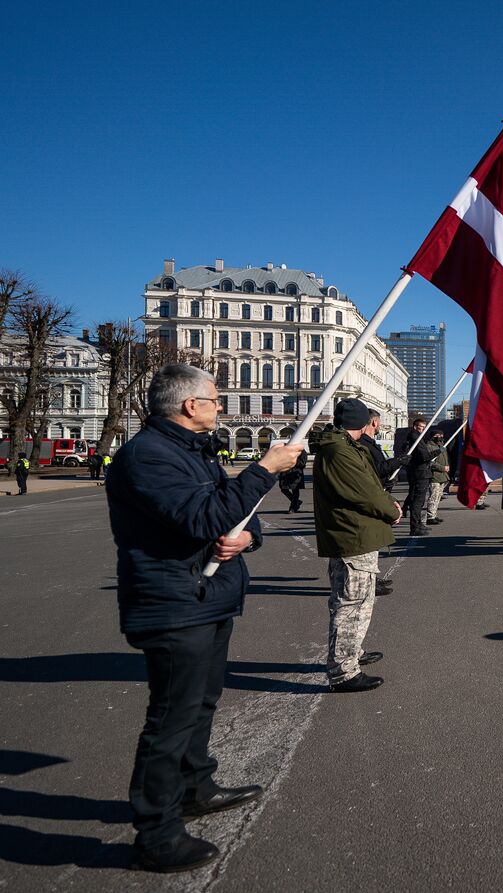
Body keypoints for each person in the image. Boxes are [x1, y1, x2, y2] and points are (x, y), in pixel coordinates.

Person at [105, 363, 303, 872]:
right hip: (174, 603)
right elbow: (201, 517)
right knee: (171, 718)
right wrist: (266, 468)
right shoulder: (146, 456)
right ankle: (156, 833)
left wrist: (248, 537)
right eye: (215, 400)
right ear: (191, 405)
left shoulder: (194, 451)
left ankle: (196, 786)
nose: (220, 407)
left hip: (206, 595)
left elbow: (233, 515)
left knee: (202, 702)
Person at [313, 398, 400, 695]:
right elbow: (364, 492)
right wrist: (391, 511)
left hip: (357, 534)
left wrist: (387, 502)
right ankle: (343, 672)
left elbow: (370, 485)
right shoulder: (339, 451)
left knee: (361, 601)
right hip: (352, 535)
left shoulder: (345, 447)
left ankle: (352, 653)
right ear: (362, 423)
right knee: (350, 605)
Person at [358, 410, 400, 597]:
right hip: (372, 499)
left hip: (379, 491)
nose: (380, 425)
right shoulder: (363, 445)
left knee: (374, 545)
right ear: (374, 422)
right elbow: (376, 469)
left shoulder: (369, 443)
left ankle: (372, 578)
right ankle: (369, 583)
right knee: (369, 545)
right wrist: (396, 463)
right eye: (379, 421)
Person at [398, 418, 438, 537]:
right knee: (417, 500)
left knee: (419, 500)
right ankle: (415, 526)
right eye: (421, 427)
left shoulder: (418, 438)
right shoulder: (415, 437)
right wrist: (437, 452)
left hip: (421, 472)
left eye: (424, 427)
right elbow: (424, 456)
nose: (422, 430)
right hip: (420, 472)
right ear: (415, 427)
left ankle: (418, 524)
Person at [426, 430, 450, 524]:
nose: (439, 437)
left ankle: (434, 514)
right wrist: (442, 468)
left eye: (441, 435)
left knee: (438, 496)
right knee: (433, 496)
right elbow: (430, 462)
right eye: (437, 435)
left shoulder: (442, 446)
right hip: (435, 475)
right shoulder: (429, 447)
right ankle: (430, 516)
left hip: (443, 476)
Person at [278, 448, 308, 513]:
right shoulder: (286, 449)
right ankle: (297, 502)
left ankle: (292, 507)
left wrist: (292, 461)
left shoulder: (301, 451)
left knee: (295, 490)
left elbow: (302, 463)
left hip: (295, 473)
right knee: (283, 489)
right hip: (285, 473)